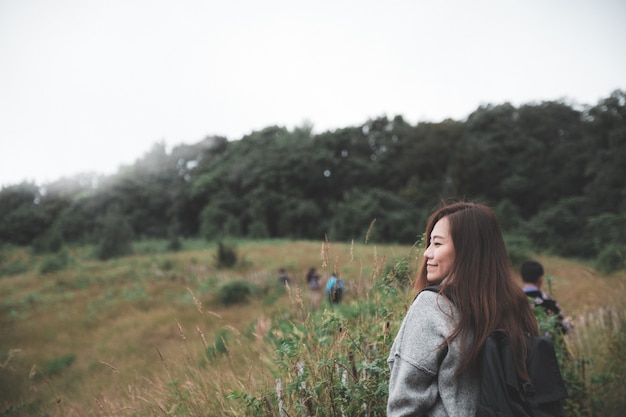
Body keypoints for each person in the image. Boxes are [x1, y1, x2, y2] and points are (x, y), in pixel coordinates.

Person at [387, 201, 538, 416]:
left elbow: (405, 405)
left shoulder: (433, 306)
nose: (427, 253)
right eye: (429, 244)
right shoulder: (514, 306)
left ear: (467, 250)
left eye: (437, 244)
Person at [521, 260, 572, 334]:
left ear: (522, 278)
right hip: (543, 344)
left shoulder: (513, 299)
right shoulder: (548, 301)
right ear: (541, 279)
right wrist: (568, 323)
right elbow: (559, 329)